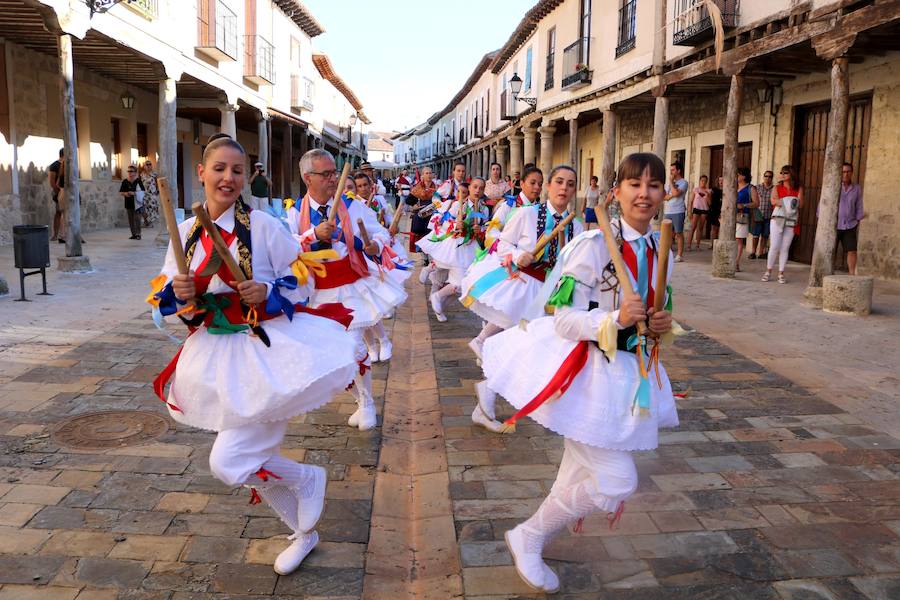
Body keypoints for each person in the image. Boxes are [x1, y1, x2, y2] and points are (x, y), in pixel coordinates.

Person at [150, 135, 359, 576]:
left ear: (247, 177)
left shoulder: (264, 227)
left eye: (237, 170)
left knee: (229, 461)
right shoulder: (184, 234)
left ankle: (306, 481)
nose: (228, 178)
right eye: (219, 169)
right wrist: (178, 294)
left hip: (267, 351)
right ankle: (304, 531)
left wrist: (267, 289)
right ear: (201, 173)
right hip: (216, 357)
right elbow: (167, 303)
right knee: (243, 460)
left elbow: (300, 279)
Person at [481, 153, 677, 592]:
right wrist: (614, 320)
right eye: (634, 184)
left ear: (665, 193)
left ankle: (529, 537)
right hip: (587, 375)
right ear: (616, 193)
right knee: (617, 480)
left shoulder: (661, 248)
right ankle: (529, 533)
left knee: (574, 473)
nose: (644, 193)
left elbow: (658, 312)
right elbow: (564, 319)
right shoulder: (591, 247)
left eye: (654, 185)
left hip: (633, 376)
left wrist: (664, 323)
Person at [287, 149, 407, 430]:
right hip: (317, 293)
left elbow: (380, 232)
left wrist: (375, 244)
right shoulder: (293, 212)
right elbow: (285, 246)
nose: (332, 179)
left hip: (351, 287)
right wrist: (312, 235)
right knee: (327, 357)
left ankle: (367, 405)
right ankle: (359, 399)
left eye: (334, 173)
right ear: (308, 178)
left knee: (350, 347)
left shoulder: (352, 206)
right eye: (326, 174)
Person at [461, 165, 584, 432]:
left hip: (551, 293)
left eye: (570, 184)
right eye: (559, 182)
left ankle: (487, 394)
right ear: (548, 186)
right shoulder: (526, 214)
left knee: (528, 349)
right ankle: (486, 393)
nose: (564, 188)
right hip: (523, 286)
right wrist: (518, 256)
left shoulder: (577, 225)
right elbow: (502, 243)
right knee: (521, 345)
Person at [418, 180, 486, 321]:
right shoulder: (458, 205)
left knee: (464, 287)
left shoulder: (483, 208)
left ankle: (439, 303)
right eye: (475, 187)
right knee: (458, 282)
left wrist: (481, 230)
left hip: (471, 248)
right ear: (470, 188)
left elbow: (486, 226)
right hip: (456, 245)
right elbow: (444, 221)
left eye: (481, 188)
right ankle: (434, 283)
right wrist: (456, 224)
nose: (478, 190)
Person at [762, 165, 803, 284]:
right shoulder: (777, 187)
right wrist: (791, 201)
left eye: (785, 173)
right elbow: (774, 201)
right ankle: (768, 271)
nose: (782, 174)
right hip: (778, 218)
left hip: (791, 220)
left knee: (785, 248)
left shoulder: (798, 188)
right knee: (774, 246)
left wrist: (784, 201)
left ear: (791, 174)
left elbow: (800, 204)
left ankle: (781, 273)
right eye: (781, 172)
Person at [838, 162, 865, 275]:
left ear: (852, 173)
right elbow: (825, 201)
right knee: (829, 250)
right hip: (835, 224)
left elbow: (859, 204)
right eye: (843, 172)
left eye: (848, 171)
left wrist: (858, 218)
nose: (846, 174)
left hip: (850, 224)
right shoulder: (835, 186)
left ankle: (851, 275)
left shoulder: (856, 188)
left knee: (852, 250)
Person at [407, 167, 438, 254]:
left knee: (430, 234)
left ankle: (430, 255)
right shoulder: (417, 187)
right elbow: (408, 200)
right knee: (420, 234)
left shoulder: (437, 187)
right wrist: (414, 206)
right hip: (421, 214)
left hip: (433, 214)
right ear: (423, 176)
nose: (429, 175)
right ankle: (423, 255)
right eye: (426, 173)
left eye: (430, 173)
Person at [735, 167, 759, 272]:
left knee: (739, 240)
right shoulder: (733, 186)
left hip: (742, 216)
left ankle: (736, 262)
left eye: (738, 174)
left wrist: (744, 205)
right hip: (730, 216)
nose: (736, 176)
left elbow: (756, 203)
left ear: (743, 176)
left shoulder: (751, 188)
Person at [662, 161, 688, 262]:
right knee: (667, 233)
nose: (671, 172)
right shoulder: (668, 183)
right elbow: (664, 196)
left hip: (678, 210)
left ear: (678, 171)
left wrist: (672, 186)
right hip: (668, 210)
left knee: (678, 233)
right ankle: (667, 253)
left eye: (673, 170)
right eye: (670, 170)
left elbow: (676, 193)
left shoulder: (683, 183)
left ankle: (680, 255)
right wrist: (673, 194)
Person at [750, 170, 774, 259]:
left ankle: (761, 253)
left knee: (765, 235)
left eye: (770, 176)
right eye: (766, 176)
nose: (768, 178)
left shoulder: (774, 189)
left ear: (772, 178)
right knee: (755, 235)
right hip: (758, 215)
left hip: (769, 215)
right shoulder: (757, 187)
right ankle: (753, 252)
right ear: (763, 177)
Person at [120, 164, 145, 240]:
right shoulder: (125, 181)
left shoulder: (138, 181)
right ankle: (133, 234)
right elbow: (121, 192)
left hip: (137, 203)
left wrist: (134, 193)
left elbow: (143, 191)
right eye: (128, 171)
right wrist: (126, 193)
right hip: (128, 203)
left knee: (137, 219)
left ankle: (138, 234)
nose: (129, 173)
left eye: (131, 171)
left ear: (135, 172)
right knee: (131, 219)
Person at [688, 175, 710, 251]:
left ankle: (697, 245)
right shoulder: (696, 189)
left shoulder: (708, 191)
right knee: (693, 227)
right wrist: (689, 211)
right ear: (700, 181)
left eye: (705, 181)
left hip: (704, 209)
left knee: (700, 228)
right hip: (696, 209)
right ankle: (689, 245)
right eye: (702, 180)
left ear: (707, 182)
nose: (703, 182)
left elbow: (710, 203)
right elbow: (691, 201)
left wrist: (707, 196)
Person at [48, 148, 66, 243]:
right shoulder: (54, 166)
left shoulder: (69, 164)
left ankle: (64, 234)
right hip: (60, 193)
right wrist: (59, 192)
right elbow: (52, 182)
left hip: (67, 193)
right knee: (59, 213)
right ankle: (56, 235)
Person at [140, 160, 160, 227]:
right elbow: (140, 183)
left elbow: (157, 183)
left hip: (152, 194)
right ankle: (146, 222)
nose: (148, 166)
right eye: (147, 164)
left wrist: (157, 190)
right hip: (144, 193)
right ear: (144, 166)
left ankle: (151, 222)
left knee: (152, 208)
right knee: (145, 208)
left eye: (150, 164)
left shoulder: (154, 174)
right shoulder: (142, 174)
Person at [708, 175, 723, 241]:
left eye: (722, 180)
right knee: (714, 227)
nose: (721, 182)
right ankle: (712, 244)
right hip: (714, 209)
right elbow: (709, 198)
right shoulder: (714, 189)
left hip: (723, 210)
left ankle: (719, 243)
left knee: (721, 228)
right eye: (720, 180)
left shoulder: (728, 190)